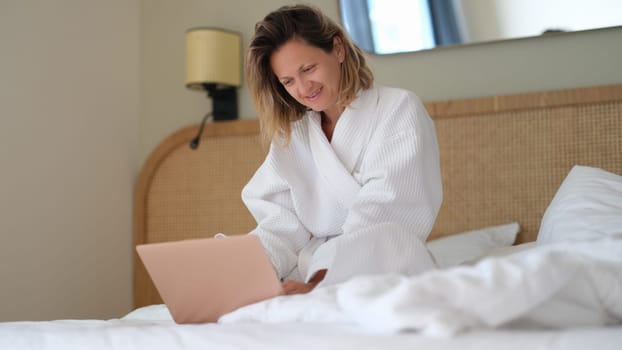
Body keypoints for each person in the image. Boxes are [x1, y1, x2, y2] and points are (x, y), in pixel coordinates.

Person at [243, 4, 442, 295]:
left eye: (308, 69)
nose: (303, 88)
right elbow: (280, 226)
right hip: (307, 277)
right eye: (288, 81)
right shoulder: (293, 136)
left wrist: (321, 280)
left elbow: (384, 217)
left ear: (337, 49)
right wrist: (248, 270)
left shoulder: (398, 109)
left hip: (384, 272)